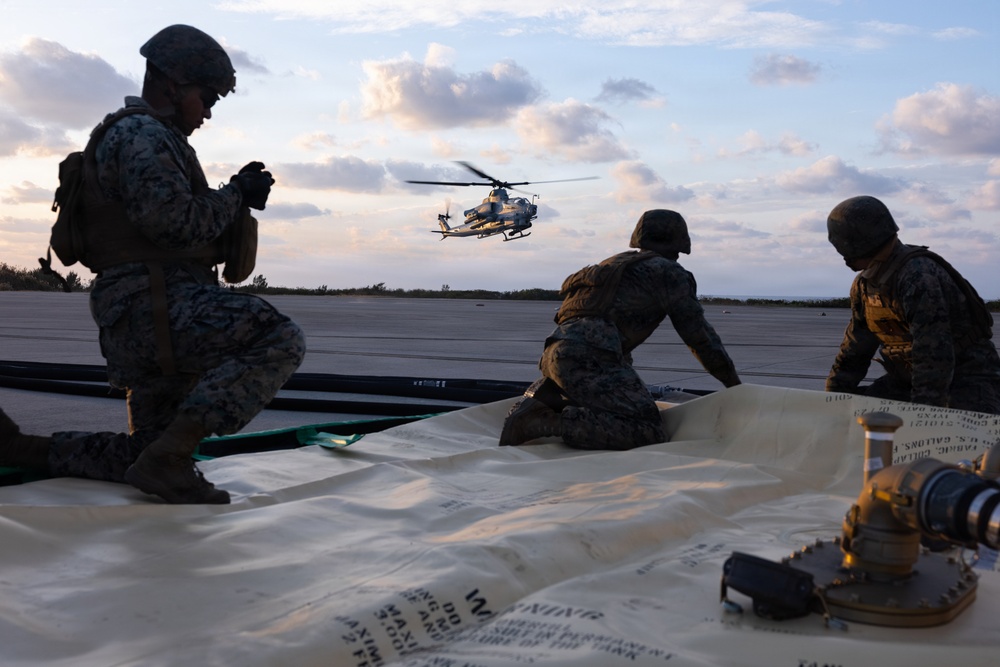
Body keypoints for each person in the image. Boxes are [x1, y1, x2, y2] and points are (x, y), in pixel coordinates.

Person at [0, 25, 306, 503]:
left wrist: (234, 196)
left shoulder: (141, 135)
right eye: (205, 98)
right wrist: (235, 194)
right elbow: (174, 224)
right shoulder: (142, 133)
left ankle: (24, 448)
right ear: (171, 85)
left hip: (142, 311)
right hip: (158, 305)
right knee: (278, 336)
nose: (206, 112)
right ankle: (171, 458)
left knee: (143, 452)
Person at [499, 209, 742, 450]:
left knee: (622, 397)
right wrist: (735, 386)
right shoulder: (668, 273)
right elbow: (700, 338)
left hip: (555, 355)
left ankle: (550, 396)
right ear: (679, 240)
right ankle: (542, 422)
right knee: (647, 430)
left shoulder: (615, 265)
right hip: (589, 360)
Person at [825, 195, 1000, 414]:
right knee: (856, 418)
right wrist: (832, 400)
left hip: (965, 380)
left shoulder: (918, 275)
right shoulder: (866, 283)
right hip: (908, 381)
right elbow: (856, 346)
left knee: (963, 439)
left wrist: (922, 417)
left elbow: (933, 355)